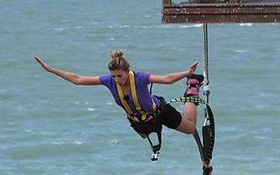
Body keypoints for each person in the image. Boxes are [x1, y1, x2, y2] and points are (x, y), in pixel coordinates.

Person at [34, 50, 204, 159]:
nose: (117, 80)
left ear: (127, 71)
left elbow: (167, 79)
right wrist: (51, 70)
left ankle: (192, 86)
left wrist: (186, 73)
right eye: (114, 76)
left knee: (190, 128)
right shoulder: (109, 81)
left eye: (120, 76)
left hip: (159, 111)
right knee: (146, 135)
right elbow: (78, 80)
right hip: (140, 121)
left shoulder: (139, 78)